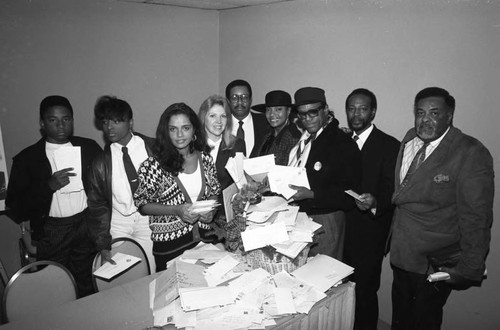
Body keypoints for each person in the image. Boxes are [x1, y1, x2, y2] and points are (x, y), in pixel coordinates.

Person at [390, 87, 494, 329]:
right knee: (400, 321)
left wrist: (469, 267)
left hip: (435, 263)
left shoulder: (470, 152)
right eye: (420, 112)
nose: (425, 119)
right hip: (401, 255)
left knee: (423, 322)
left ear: (450, 115)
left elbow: (476, 218)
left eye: (434, 113)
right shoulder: (409, 140)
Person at [6, 95, 102, 297]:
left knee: (88, 280)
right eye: (53, 120)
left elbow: (105, 186)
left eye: (66, 119)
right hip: (52, 229)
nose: (61, 126)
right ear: (42, 123)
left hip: (86, 222)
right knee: (56, 285)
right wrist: (47, 186)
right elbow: (15, 207)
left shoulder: (89, 148)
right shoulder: (28, 159)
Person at [134, 103, 221, 271]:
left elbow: (214, 192)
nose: (180, 135)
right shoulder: (153, 166)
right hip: (169, 247)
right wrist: (176, 210)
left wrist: (211, 210)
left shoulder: (206, 159)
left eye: (185, 128)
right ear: (165, 132)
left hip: (205, 242)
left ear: (195, 129)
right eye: (173, 129)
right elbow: (142, 204)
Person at [341, 88, 400, 330]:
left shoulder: (389, 145)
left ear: (373, 112)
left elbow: (392, 190)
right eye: (352, 109)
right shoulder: (341, 141)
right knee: (340, 292)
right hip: (341, 229)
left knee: (364, 293)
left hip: (369, 234)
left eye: (362, 109)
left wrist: (375, 202)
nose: (356, 114)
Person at [287, 87, 361, 260]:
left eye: (312, 113)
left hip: (326, 220)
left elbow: (350, 194)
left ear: (326, 109)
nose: (307, 119)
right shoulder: (305, 138)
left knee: (323, 278)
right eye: (302, 115)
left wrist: (312, 194)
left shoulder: (342, 143)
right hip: (300, 217)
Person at [87, 95, 156, 272]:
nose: (109, 127)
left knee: (150, 268)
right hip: (118, 221)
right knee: (120, 273)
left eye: (116, 121)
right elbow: (97, 205)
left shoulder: (153, 148)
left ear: (130, 122)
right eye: (105, 122)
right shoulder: (100, 162)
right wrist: (102, 243)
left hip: (147, 218)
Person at [198, 95, 246, 190]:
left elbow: (240, 183)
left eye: (223, 116)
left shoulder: (237, 145)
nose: (219, 121)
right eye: (213, 116)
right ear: (203, 118)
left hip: (224, 203)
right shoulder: (193, 144)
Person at [252, 90, 301, 165]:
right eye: (268, 110)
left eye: (278, 109)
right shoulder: (265, 135)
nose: (272, 114)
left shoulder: (293, 138)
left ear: (288, 111)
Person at [225, 79, 268, 157]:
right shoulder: (222, 124)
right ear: (228, 101)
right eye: (234, 98)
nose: (240, 102)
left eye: (244, 97)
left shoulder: (266, 123)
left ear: (250, 99)